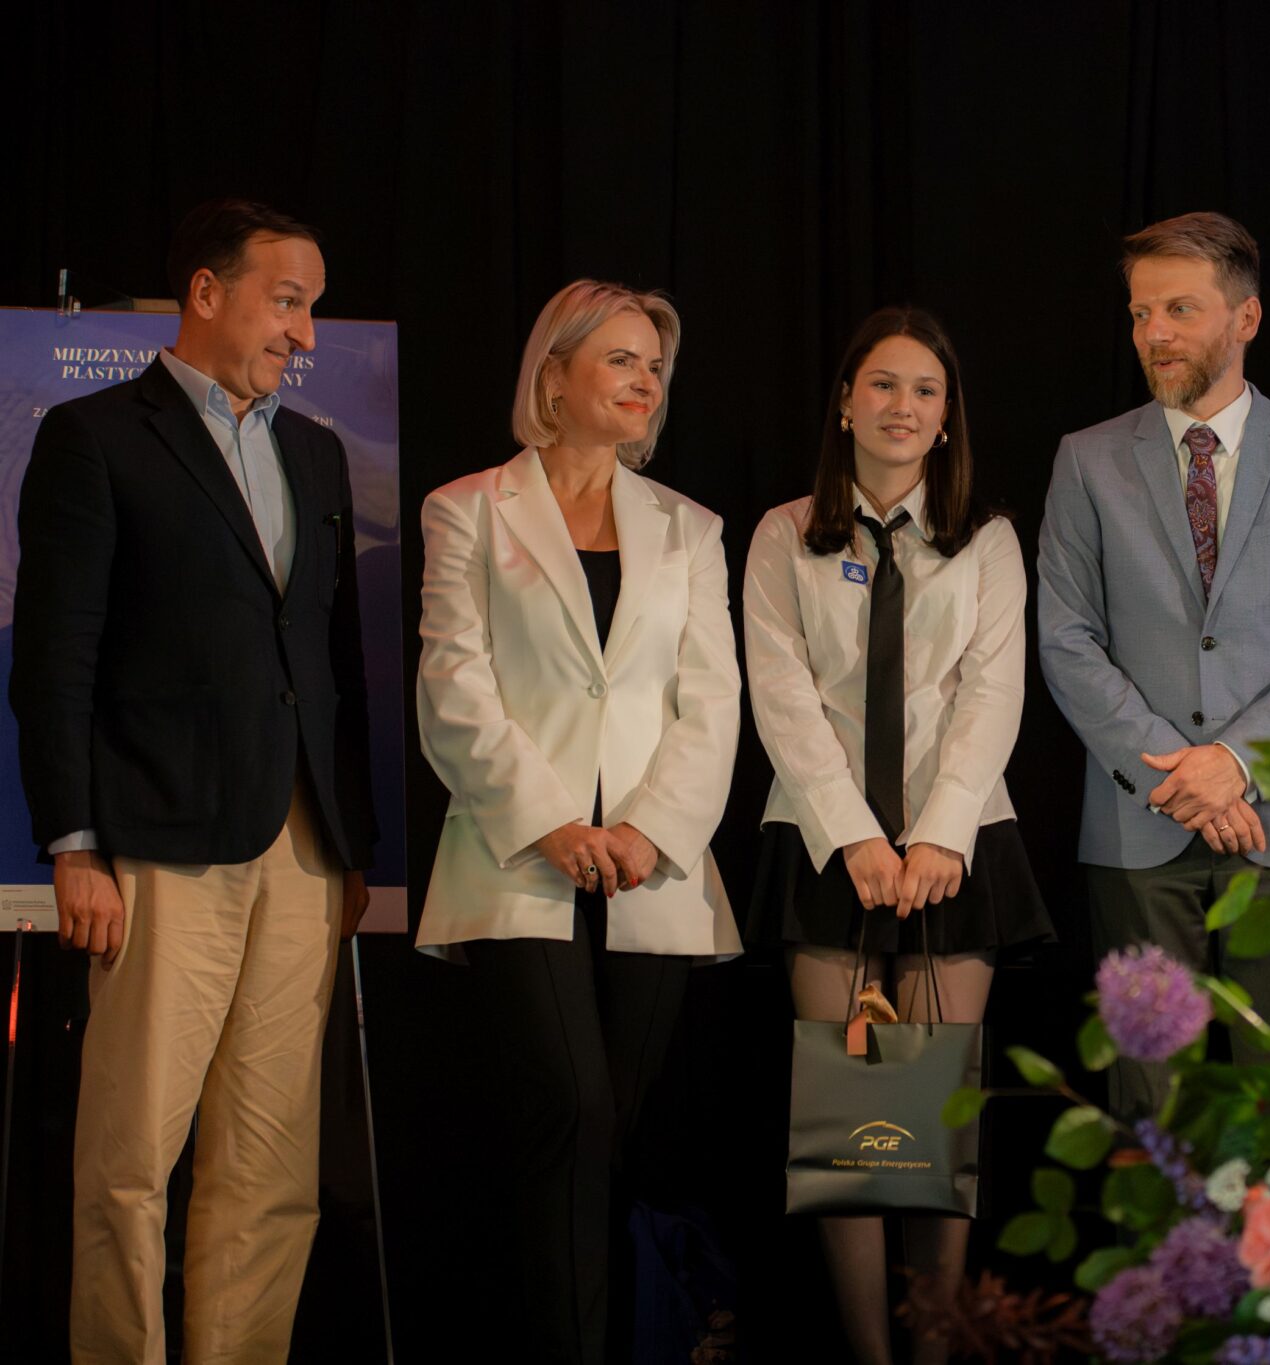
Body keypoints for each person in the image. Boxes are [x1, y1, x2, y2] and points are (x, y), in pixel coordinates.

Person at [8, 198, 377, 1362]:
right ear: (206, 294)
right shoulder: (96, 437)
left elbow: (327, 664)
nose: (305, 333)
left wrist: (350, 847)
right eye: (287, 301)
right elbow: (54, 659)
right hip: (158, 844)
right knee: (130, 1165)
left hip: (302, 849)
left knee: (274, 1171)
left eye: (313, 307)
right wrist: (74, 843)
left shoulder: (314, 451)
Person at [414, 280, 741, 1361]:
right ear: (553, 377)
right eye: (621, 360)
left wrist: (648, 832)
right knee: (572, 1113)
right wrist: (552, 822)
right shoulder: (467, 507)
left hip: (653, 869)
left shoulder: (690, 527)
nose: (645, 381)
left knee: (613, 1138)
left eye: (654, 365)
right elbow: (453, 686)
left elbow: (713, 700)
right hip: (518, 858)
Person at [743, 305, 1050, 1365]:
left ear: (948, 417)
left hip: (955, 850)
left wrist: (938, 836)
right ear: (844, 403)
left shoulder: (988, 539)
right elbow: (781, 695)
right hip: (826, 847)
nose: (902, 406)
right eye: (882, 384)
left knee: (935, 1118)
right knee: (851, 1127)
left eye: (925, 390)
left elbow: (993, 692)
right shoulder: (784, 534)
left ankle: (934, 1353)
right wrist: (854, 836)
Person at [1037, 211, 1270, 1115]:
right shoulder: (1086, 460)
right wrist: (1178, 776)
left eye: (1179, 309)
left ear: (1246, 317)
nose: (1154, 333)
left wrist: (1234, 763)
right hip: (1138, 827)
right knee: (1155, 1114)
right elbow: (1067, 638)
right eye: (1140, 313)